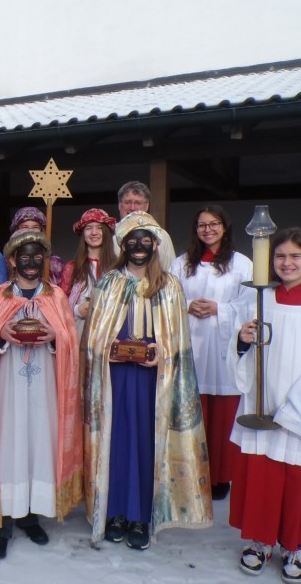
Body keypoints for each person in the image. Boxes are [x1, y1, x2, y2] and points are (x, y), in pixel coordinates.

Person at [82, 211, 212, 550]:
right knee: (117, 441)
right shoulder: (109, 283)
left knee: (146, 443)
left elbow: (178, 339)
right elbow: (94, 333)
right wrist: (105, 351)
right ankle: (115, 512)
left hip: (154, 382)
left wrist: (162, 353)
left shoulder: (169, 286)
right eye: (132, 242)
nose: (139, 247)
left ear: (155, 245)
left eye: (145, 241)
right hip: (116, 379)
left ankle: (141, 515)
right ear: (123, 246)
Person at [230, 227, 301, 584]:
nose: (286, 263)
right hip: (264, 404)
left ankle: (293, 546)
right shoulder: (259, 302)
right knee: (264, 475)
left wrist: (294, 409)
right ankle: (261, 541)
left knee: (298, 478)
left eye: (295, 256)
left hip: (300, 411)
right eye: (279, 256)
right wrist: (242, 340)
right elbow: (240, 350)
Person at [0, 230, 83, 560]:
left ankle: (30, 513)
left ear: (44, 261)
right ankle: (3, 520)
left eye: (37, 257)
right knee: (8, 442)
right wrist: (0, 333)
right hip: (7, 383)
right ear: (12, 260)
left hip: (44, 384)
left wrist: (53, 336)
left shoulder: (56, 297)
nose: (31, 263)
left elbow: (69, 338)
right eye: (25, 257)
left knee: (37, 441)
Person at [169, 205, 252, 501]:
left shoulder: (241, 264)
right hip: (191, 344)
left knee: (221, 415)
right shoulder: (181, 263)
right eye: (202, 225)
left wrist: (220, 309)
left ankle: (220, 477)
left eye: (214, 224)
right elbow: (168, 297)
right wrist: (187, 305)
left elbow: (251, 302)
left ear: (225, 227)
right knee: (192, 410)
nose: (208, 230)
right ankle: (190, 472)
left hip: (223, 348)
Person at [59, 208, 117, 335]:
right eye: (89, 228)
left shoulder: (118, 267)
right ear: (83, 233)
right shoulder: (72, 267)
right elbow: (59, 303)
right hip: (79, 330)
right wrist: (77, 310)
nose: (94, 232)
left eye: (99, 228)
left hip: (109, 331)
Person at [117, 181, 176, 271]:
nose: (132, 208)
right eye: (127, 202)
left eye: (138, 203)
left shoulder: (162, 235)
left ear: (147, 206)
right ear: (120, 205)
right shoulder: (110, 234)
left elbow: (170, 271)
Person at [8, 206, 63, 284]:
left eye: (35, 227)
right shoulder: (6, 261)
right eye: (24, 227)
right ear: (17, 229)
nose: (30, 231)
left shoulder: (54, 262)